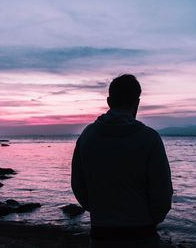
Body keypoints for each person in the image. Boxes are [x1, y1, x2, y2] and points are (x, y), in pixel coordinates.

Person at [71, 74, 173, 247]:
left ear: (109, 101)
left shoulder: (88, 136)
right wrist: (149, 220)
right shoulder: (149, 138)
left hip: (101, 236)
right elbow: (162, 192)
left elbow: (78, 185)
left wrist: (99, 212)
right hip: (143, 236)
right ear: (137, 102)